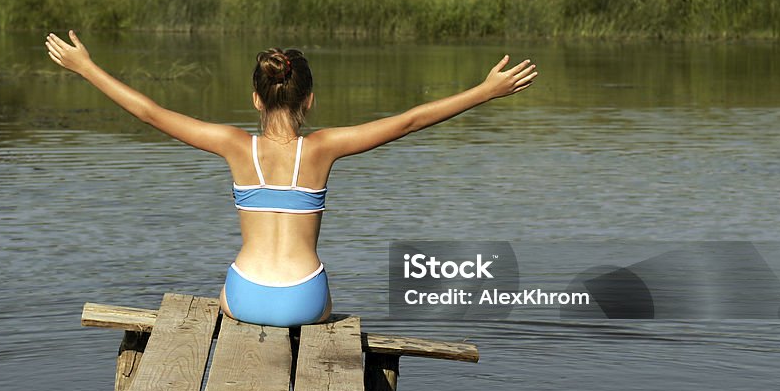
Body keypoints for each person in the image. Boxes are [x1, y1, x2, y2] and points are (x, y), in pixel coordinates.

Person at [45, 31, 537, 327]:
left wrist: (85, 66)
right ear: (310, 100)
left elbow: (150, 112)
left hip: (245, 294)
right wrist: (484, 92)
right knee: (323, 291)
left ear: (257, 99)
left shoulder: (234, 146)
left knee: (223, 295)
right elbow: (408, 121)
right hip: (305, 296)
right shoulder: (323, 149)